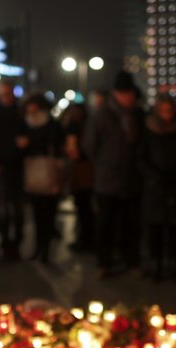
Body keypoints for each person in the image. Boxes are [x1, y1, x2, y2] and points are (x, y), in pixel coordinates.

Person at [83, 71, 144, 278]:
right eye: (126, 94)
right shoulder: (102, 115)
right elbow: (90, 146)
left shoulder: (138, 114)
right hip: (107, 179)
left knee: (131, 224)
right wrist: (105, 163)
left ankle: (131, 260)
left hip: (132, 178)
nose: (130, 98)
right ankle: (104, 262)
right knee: (105, 224)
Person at [140, 95, 176, 280]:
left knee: (175, 228)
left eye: (170, 110)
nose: (167, 115)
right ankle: (156, 264)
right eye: (164, 110)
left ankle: (174, 263)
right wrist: (153, 176)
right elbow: (142, 156)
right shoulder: (149, 129)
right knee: (155, 228)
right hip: (155, 186)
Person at [0, 81, 27, 259]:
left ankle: (15, 243)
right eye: (4, 94)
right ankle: (5, 243)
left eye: (9, 94)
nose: (8, 97)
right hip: (1, 166)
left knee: (17, 209)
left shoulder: (18, 111)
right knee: (4, 208)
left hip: (17, 165)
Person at [20, 94, 64, 263]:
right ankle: (39, 247)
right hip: (32, 171)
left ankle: (45, 248)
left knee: (48, 213)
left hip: (47, 170)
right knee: (37, 213)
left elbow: (57, 145)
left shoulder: (51, 124)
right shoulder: (26, 123)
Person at [63, 103, 94, 252]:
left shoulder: (75, 127)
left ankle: (86, 240)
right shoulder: (83, 126)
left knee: (84, 208)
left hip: (82, 173)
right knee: (84, 208)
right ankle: (86, 239)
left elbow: (72, 150)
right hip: (84, 173)